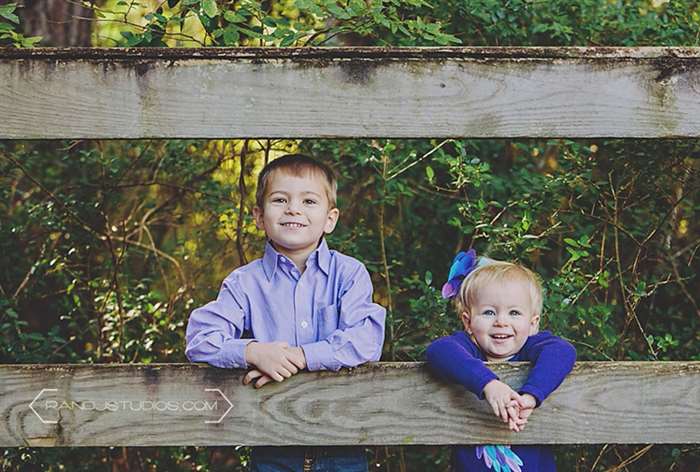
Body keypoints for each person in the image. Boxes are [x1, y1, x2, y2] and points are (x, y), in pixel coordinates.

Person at [185, 154, 386, 472]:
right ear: (259, 216)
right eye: (280, 199)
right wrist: (253, 351)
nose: (294, 209)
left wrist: (301, 357)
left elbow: (366, 339)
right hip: (271, 442)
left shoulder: (349, 274)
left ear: (330, 219)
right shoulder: (244, 283)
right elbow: (200, 339)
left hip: (343, 440)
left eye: (308, 201)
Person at [426, 250, 576, 472]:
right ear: (468, 322)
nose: (501, 322)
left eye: (514, 313)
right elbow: (438, 351)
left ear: (533, 323)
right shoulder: (467, 348)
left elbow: (563, 351)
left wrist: (532, 395)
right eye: (488, 312)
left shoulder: (532, 347)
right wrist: (489, 384)